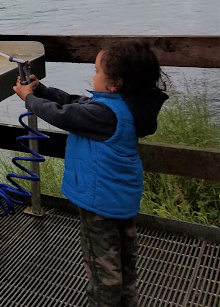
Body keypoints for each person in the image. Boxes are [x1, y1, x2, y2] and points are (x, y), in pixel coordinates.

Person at [13, 40, 168, 307]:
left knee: (102, 272)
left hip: (99, 205)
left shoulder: (106, 114)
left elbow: (64, 115)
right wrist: (42, 90)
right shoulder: (124, 106)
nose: (92, 76)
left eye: (97, 71)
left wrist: (29, 98)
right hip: (120, 202)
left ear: (115, 82)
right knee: (125, 264)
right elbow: (74, 103)